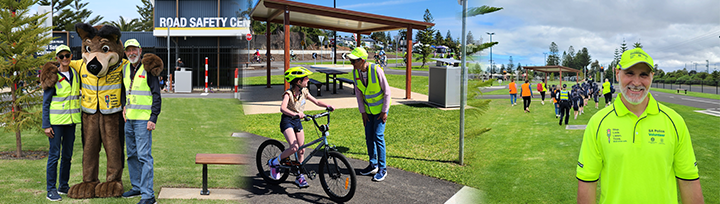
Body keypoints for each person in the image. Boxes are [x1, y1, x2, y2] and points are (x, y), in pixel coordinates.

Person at [577, 48, 704, 204]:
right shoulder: (598, 122)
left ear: (651, 77)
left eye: (643, 74)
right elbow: (587, 181)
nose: (636, 83)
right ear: (617, 74)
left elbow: (688, 180)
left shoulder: (674, 121)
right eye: (629, 73)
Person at [268, 67, 333, 188]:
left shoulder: (305, 92)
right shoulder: (288, 94)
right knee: (294, 147)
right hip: (287, 121)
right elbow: (282, 108)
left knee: (301, 150)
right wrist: (295, 114)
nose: (308, 80)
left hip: (297, 121)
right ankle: (274, 162)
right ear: (298, 82)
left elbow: (317, 102)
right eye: (306, 78)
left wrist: (327, 106)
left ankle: (299, 176)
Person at [121, 39, 163, 204]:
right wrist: (124, 106)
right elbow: (126, 91)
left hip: (143, 121)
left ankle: (148, 195)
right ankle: (137, 187)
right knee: (131, 155)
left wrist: (153, 118)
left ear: (140, 50)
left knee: (144, 156)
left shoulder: (147, 69)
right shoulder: (125, 69)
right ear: (125, 53)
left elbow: (156, 95)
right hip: (129, 119)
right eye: (128, 50)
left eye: (134, 49)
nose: (131, 53)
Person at [42, 45, 80, 201]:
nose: (65, 58)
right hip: (56, 123)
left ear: (71, 56)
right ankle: (51, 189)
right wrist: (46, 125)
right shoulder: (53, 76)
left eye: (67, 55)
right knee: (54, 156)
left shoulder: (76, 75)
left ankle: (63, 185)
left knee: (67, 155)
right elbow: (46, 102)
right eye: (61, 56)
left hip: (71, 122)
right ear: (57, 58)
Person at [348, 47, 391, 182]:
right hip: (368, 111)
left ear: (362, 60)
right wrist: (363, 112)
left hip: (380, 111)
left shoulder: (376, 70)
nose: (352, 64)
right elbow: (358, 94)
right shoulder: (356, 73)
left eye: (353, 61)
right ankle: (373, 164)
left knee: (378, 136)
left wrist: (384, 111)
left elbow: (387, 92)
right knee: (369, 137)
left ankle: (382, 169)